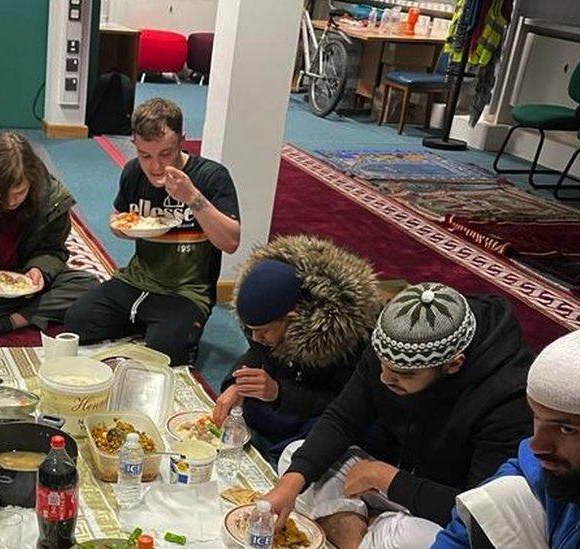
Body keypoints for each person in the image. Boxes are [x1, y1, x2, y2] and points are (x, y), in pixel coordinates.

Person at [263, 283, 534, 549]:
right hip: (399, 482)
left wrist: (386, 478)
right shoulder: (391, 342)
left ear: (453, 365)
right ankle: (366, 534)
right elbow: (343, 418)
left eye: (403, 374)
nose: (384, 378)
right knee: (296, 458)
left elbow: (481, 512)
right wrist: (290, 485)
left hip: (447, 506)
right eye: (382, 365)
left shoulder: (506, 399)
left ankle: (366, 525)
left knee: (404, 535)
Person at [64, 98, 240, 365]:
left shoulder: (211, 176)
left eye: (165, 154)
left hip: (186, 292)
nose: (155, 166)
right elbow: (119, 216)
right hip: (136, 281)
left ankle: (160, 330)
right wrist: (119, 227)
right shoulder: (133, 172)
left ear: (182, 140)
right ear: (134, 145)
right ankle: (147, 325)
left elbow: (230, 242)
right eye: (145, 155)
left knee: (166, 352)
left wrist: (194, 198)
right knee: (76, 321)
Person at [214, 235, 382, 464]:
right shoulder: (268, 322)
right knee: (242, 405)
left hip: (328, 407)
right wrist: (237, 385)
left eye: (262, 330)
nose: (256, 337)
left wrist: (278, 393)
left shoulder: (348, 335)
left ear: (293, 319)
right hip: (290, 393)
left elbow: (344, 405)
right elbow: (257, 352)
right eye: (250, 330)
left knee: (322, 441)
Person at [0, 131, 99, 343]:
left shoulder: (52, 197)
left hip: (27, 283)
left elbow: (53, 250)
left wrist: (41, 270)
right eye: (0, 194)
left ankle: (8, 322)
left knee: (89, 285)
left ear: (31, 183)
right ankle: (32, 312)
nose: (10, 201)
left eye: (19, 193)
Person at [433, 330, 580, 548]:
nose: (537, 446)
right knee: (503, 496)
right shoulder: (537, 467)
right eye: (537, 418)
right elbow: (460, 536)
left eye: (566, 429)